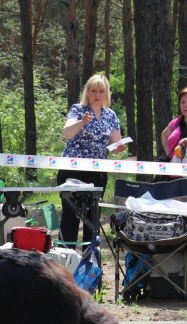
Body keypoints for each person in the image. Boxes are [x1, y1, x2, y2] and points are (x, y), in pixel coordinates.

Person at [57, 74, 126, 248]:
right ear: (87, 92)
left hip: (97, 172)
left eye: (101, 91)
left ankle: (90, 259)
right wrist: (81, 122)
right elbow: (67, 133)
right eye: (93, 91)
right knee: (70, 215)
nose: (97, 95)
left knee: (92, 215)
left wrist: (119, 148)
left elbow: (115, 142)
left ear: (106, 93)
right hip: (72, 170)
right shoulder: (77, 109)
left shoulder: (110, 115)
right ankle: (67, 255)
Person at [158, 87, 187, 198]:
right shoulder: (176, 122)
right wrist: (170, 153)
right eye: (182, 102)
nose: (185, 105)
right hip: (174, 174)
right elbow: (164, 135)